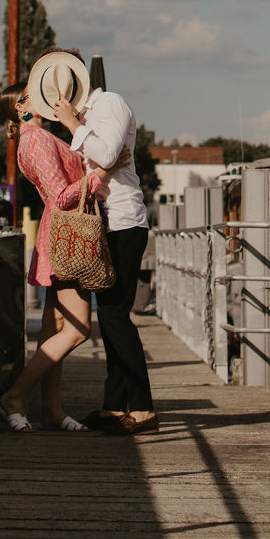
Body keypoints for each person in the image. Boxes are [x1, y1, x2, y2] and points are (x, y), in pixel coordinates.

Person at [0, 81, 108, 433]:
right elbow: (60, 196)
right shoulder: (36, 140)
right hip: (68, 235)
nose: (45, 96)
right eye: (34, 93)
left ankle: (53, 410)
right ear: (22, 107)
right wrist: (98, 175)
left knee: (54, 327)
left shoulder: (35, 138)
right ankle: (15, 396)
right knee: (78, 330)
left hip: (59, 232)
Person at [51, 67, 158, 434]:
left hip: (125, 222)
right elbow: (107, 161)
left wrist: (71, 125)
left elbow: (109, 152)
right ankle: (114, 405)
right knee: (111, 314)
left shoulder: (110, 103)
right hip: (108, 223)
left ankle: (142, 408)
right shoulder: (88, 115)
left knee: (114, 316)